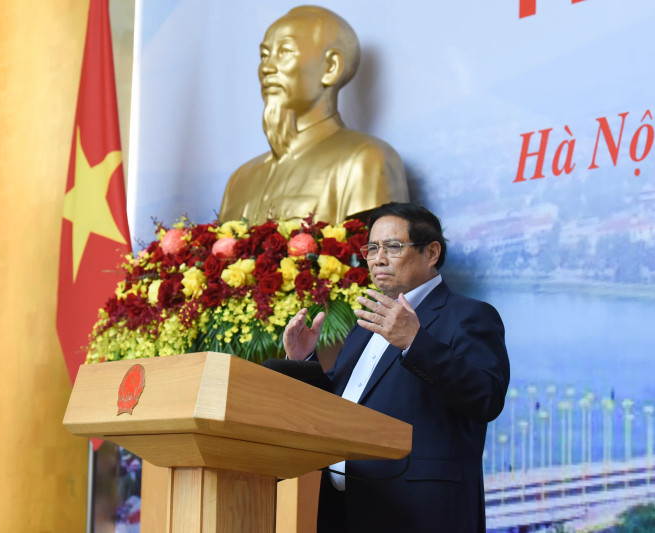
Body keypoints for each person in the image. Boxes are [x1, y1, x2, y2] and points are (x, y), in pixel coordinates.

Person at [283, 202, 510, 532]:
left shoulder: (469, 316)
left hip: (419, 511)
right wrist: (304, 359)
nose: (378, 258)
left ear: (431, 252)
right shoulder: (365, 326)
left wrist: (415, 342)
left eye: (392, 246)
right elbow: (339, 406)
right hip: (341, 506)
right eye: (372, 248)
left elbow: (486, 397)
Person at [218, 6, 409, 225]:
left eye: (285, 52)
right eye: (264, 55)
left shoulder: (366, 160)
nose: (267, 68)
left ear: (331, 67)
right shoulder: (240, 180)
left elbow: (379, 255)